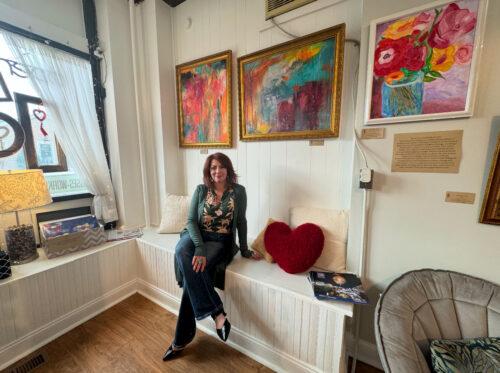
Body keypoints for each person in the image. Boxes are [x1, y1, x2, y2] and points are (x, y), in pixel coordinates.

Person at [163, 152, 261, 361]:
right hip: (196, 235)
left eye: (221, 167)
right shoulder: (201, 190)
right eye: (213, 168)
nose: (217, 171)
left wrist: (244, 249)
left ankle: (180, 341)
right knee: (182, 251)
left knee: (194, 276)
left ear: (228, 169)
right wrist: (199, 247)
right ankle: (217, 313)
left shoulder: (239, 192)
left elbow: (241, 221)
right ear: (209, 171)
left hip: (219, 241)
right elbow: (190, 221)